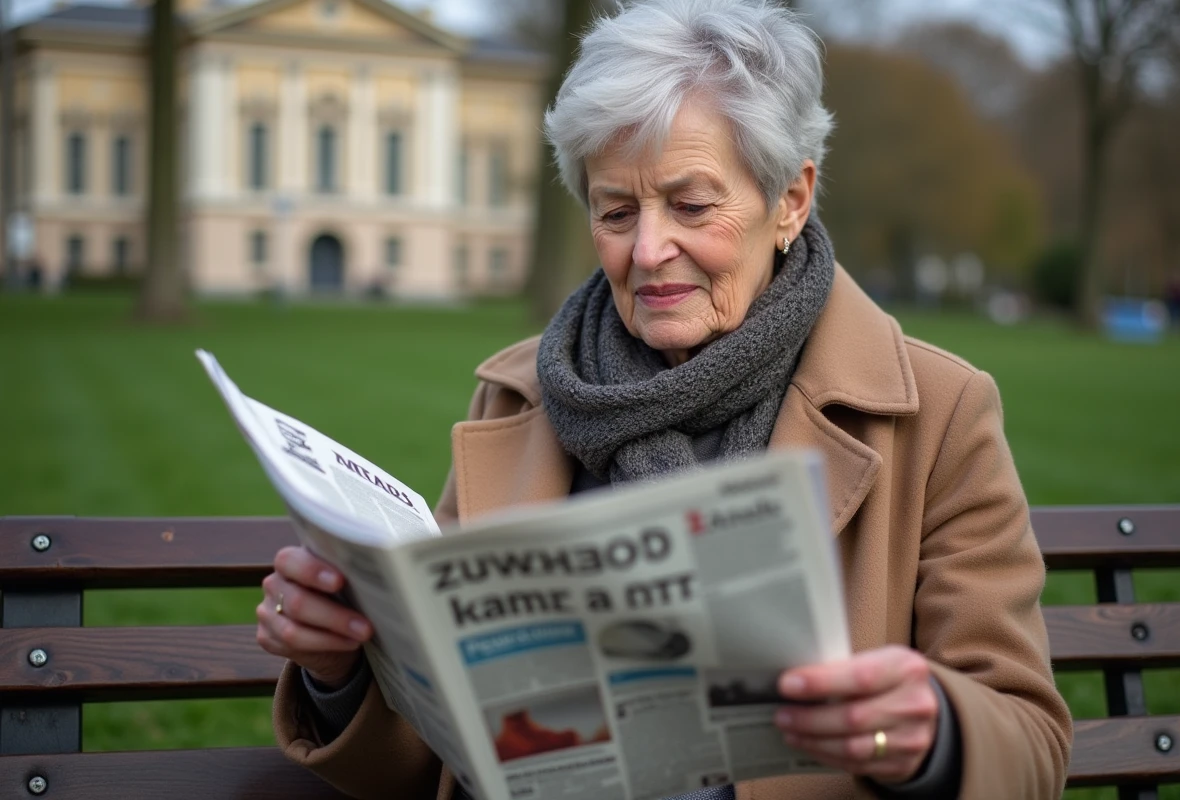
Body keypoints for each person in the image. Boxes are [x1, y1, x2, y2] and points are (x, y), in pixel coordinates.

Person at [258, 1, 1072, 798]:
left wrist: (929, 732)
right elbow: (431, 760)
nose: (649, 250)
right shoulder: (517, 395)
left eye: (691, 205)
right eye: (616, 212)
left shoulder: (940, 412)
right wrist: (340, 671)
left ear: (790, 199)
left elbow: (1029, 745)